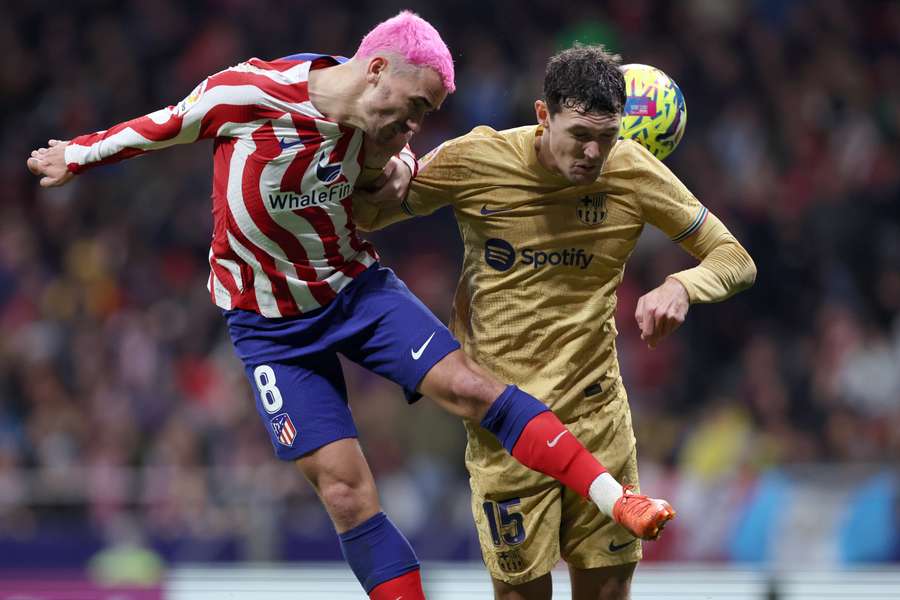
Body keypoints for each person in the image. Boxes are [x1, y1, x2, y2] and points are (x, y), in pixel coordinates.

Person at [26, 14, 673, 599]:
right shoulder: (249, 93)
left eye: (425, 116)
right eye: (415, 108)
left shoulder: (378, 134)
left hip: (354, 292)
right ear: (376, 71)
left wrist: (405, 161)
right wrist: (76, 155)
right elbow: (165, 125)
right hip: (269, 328)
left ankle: (617, 498)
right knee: (344, 492)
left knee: (473, 388)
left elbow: (401, 168)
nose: (413, 125)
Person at [353, 44, 756, 600]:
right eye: (579, 135)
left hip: (599, 422)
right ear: (543, 115)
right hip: (506, 431)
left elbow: (735, 259)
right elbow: (370, 212)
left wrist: (681, 285)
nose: (593, 153)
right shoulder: (478, 159)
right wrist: (385, 159)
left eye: (607, 137)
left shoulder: (633, 171)